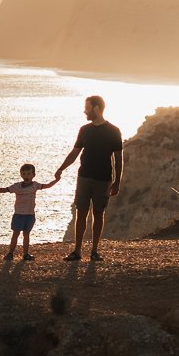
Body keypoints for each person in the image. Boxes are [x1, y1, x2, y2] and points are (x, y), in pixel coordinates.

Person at [55, 94, 123, 262]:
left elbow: (119, 159)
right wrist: (61, 168)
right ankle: (77, 251)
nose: (84, 111)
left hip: (103, 179)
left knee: (98, 213)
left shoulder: (114, 131)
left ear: (96, 109)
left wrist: (117, 182)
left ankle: (94, 251)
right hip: (84, 177)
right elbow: (75, 153)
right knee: (81, 212)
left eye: (87, 108)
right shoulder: (84, 130)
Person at [0, 162, 61, 262]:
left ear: (33, 175)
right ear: (21, 175)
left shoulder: (35, 185)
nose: (26, 176)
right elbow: (6, 189)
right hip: (18, 214)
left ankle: (25, 254)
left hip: (30, 215)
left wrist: (56, 180)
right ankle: (10, 253)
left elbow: (48, 185)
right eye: (24, 174)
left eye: (28, 174)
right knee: (15, 234)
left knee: (26, 234)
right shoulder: (17, 186)